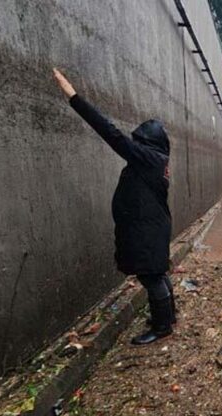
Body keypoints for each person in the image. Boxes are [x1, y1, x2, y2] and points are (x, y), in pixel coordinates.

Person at [53, 68, 176, 345]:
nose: (135, 144)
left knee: (151, 276)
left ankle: (163, 327)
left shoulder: (148, 158)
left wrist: (73, 97)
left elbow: (112, 135)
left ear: (147, 142)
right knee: (155, 273)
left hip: (148, 229)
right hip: (151, 227)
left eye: (139, 141)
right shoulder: (156, 160)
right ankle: (167, 317)